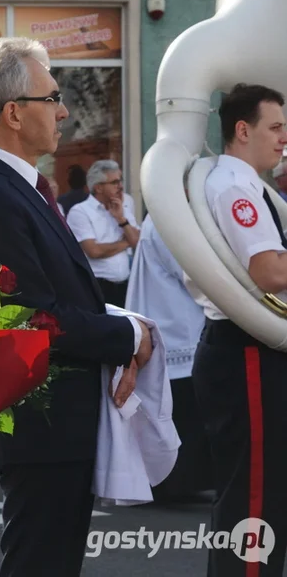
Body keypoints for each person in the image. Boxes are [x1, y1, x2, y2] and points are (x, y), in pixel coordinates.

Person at [0, 37, 152, 577]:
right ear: (14, 113)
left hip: (61, 426)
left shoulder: (23, 188)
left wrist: (124, 325)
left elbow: (59, 299)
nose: (64, 111)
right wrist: (128, 338)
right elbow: (35, 319)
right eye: (52, 97)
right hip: (42, 427)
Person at [191, 83, 287, 575]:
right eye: (275, 127)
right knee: (254, 499)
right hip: (244, 349)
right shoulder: (233, 184)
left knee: (262, 495)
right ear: (242, 130)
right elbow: (269, 270)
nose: (283, 139)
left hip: (247, 346)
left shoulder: (244, 181)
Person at [124, 212, 211, 502]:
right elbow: (192, 274)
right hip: (176, 329)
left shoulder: (162, 218)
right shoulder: (168, 221)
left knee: (179, 413)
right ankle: (171, 485)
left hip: (174, 324)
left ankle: (181, 482)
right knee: (179, 414)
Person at [66, 159, 141, 306]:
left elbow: (137, 243)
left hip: (125, 285)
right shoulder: (80, 212)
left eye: (120, 181)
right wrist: (126, 242)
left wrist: (121, 219)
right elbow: (94, 251)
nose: (120, 186)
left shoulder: (122, 208)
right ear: (98, 188)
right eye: (114, 182)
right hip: (97, 287)